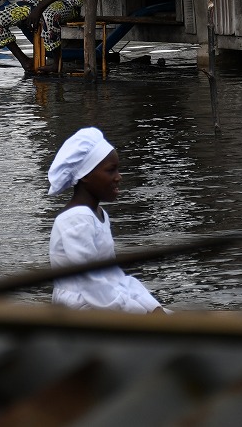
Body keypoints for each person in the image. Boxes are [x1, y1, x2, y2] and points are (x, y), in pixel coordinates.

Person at [47, 127, 165, 313]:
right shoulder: (76, 220)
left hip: (102, 299)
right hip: (80, 309)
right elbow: (92, 285)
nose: (119, 177)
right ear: (85, 175)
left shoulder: (98, 214)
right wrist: (142, 314)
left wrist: (153, 307)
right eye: (111, 170)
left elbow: (113, 276)